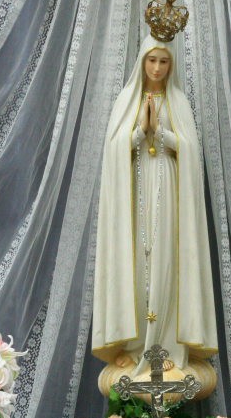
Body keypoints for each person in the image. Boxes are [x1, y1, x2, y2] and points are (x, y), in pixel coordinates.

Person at [92, 32, 218, 386]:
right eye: (152, 60)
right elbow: (114, 151)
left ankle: (166, 346)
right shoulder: (126, 100)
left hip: (168, 191)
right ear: (142, 62)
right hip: (134, 194)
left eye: (164, 61)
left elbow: (189, 150)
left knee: (165, 261)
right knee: (137, 261)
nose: (158, 68)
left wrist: (160, 133)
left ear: (171, 65)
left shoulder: (178, 101)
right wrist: (140, 131)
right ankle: (134, 347)